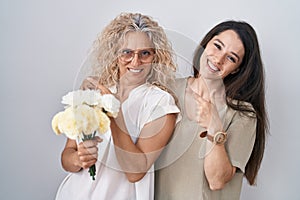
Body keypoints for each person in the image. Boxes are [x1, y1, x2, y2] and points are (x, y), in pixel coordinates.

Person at [55, 12, 180, 200]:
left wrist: (113, 110)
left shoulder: (161, 103)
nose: (136, 61)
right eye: (127, 53)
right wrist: (78, 158)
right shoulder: (95, 92)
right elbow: (67, 157)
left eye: (145, 53)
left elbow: (135, 172)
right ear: (115, 54)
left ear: (155, 56)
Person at [155, 20, 268, 200]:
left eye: (231, 58)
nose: (218, 59)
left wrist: (214, 126)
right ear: (205, 44)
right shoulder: (166, 91)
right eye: (217, 46)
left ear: (236, 69)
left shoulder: (242, 115)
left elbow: (217, 181)